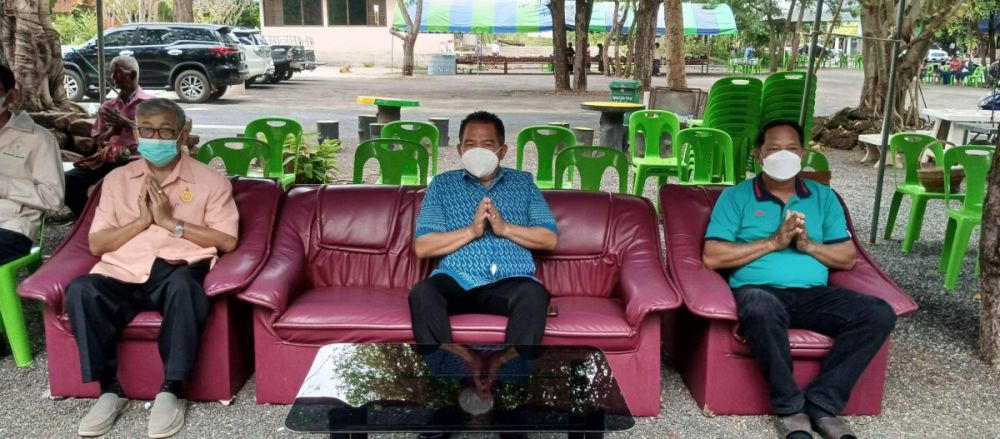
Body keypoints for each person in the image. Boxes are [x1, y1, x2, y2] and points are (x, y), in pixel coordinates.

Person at [702, 120, 897, 439]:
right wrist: (773, 242)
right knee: (760, 305)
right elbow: (711, 256)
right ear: (759, 155)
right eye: (774, 148)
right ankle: (790, 408)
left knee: (878, 313)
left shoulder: (823, 197)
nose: (784, 155)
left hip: (812, 296)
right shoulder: (736, 197)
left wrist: (808, 245)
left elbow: (847, 258)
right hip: (759, 292)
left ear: (803, 153)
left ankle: (822, 402)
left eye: (792, 148)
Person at [65, 98, 239, 438]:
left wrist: (170, 223)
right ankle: (109, 391)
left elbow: (227, 241)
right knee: (82, 289)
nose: (155, 137)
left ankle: (172, 389)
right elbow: (97, 244)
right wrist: (144, 221)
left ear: (183, 133)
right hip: (124, 272)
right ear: (135, 131)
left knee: (186, 287)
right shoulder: (117, 181)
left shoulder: (211, 181)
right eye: (148, 130)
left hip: (178, 269)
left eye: (165, 131)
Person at [408, 111, 559, 439]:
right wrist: (473, 231)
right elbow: (423, 246)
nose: (478, 150)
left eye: (487, 144)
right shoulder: (442, 185)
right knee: (423, 293)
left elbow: (549, 238)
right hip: (457, 279)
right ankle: (446, 399)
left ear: (502, 150)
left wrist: (503, 228)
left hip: (511, 282)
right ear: (460, 150)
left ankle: (511, 405)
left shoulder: (523, 183)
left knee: (535, 295)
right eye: (470, 144)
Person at [65, 56, 153, 218]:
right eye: (111, 73)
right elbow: (98, 141)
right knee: (68, 180)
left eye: (117, 73)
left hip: (139, 159)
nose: (113, 78)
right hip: (110, 158)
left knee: (119, 182)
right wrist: (114, 129)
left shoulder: (152, 105)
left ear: (132, 75)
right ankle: (89, 218)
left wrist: (131, 125)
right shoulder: (108, 107)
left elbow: (160, 136)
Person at [0, 65, 65, 266]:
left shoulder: (39, 139)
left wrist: (4, 185)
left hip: (10, 229)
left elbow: (54, 198)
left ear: (11, 95)